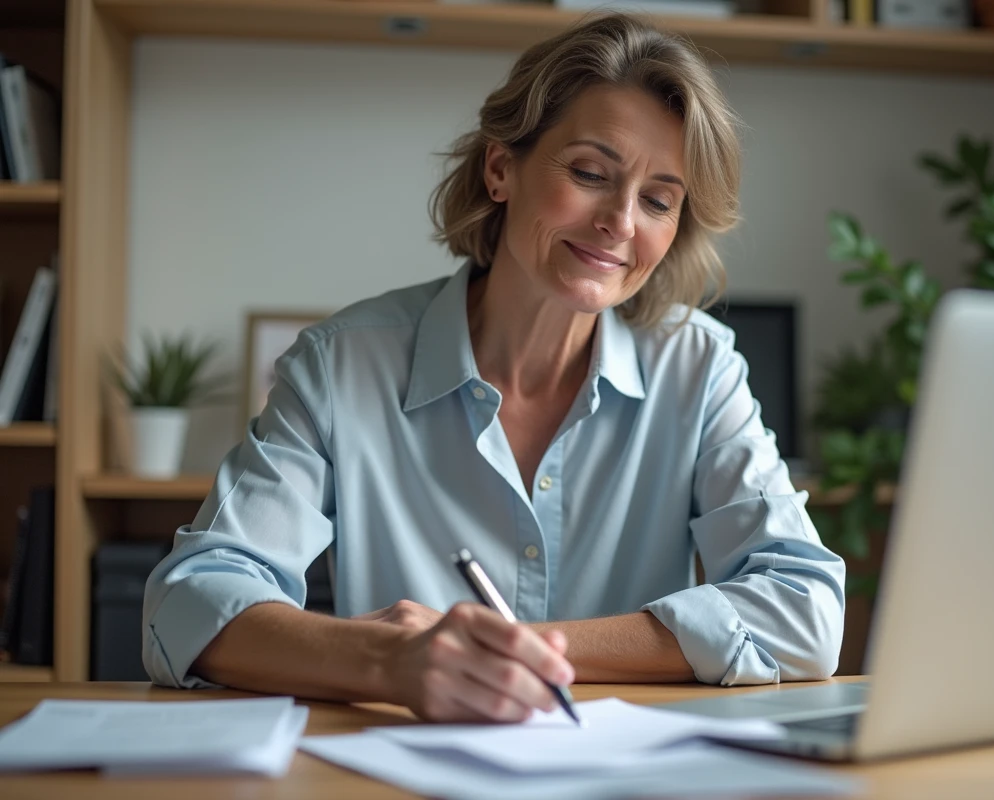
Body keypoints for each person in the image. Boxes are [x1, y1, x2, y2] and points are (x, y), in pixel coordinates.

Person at [142, 13, 846, 723]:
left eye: (658, 200)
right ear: (501, 167)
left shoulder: (700, 367)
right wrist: (393, 662)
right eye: (590, 173)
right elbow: (189, 600)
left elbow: (805, 608)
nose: (622, 223)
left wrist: (518, 650)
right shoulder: (342, 365)